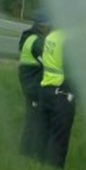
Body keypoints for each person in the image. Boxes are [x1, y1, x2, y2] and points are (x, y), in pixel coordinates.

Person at [37, 26, 76, 170]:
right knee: (59, 139)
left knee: (44, 134)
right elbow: (72, 69)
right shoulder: (68, 39)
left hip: (46, 88)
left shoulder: (51, 36)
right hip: (62, 93)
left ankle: (39, 169)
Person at [17, 11, 50, 159]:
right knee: (35, 120)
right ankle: (28, 154)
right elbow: (50, 59)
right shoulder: (37, 41)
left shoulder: (29, 37)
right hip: (33, 84)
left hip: (30, 83)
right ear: (43, 25)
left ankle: (27, 153)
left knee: (33, 118)